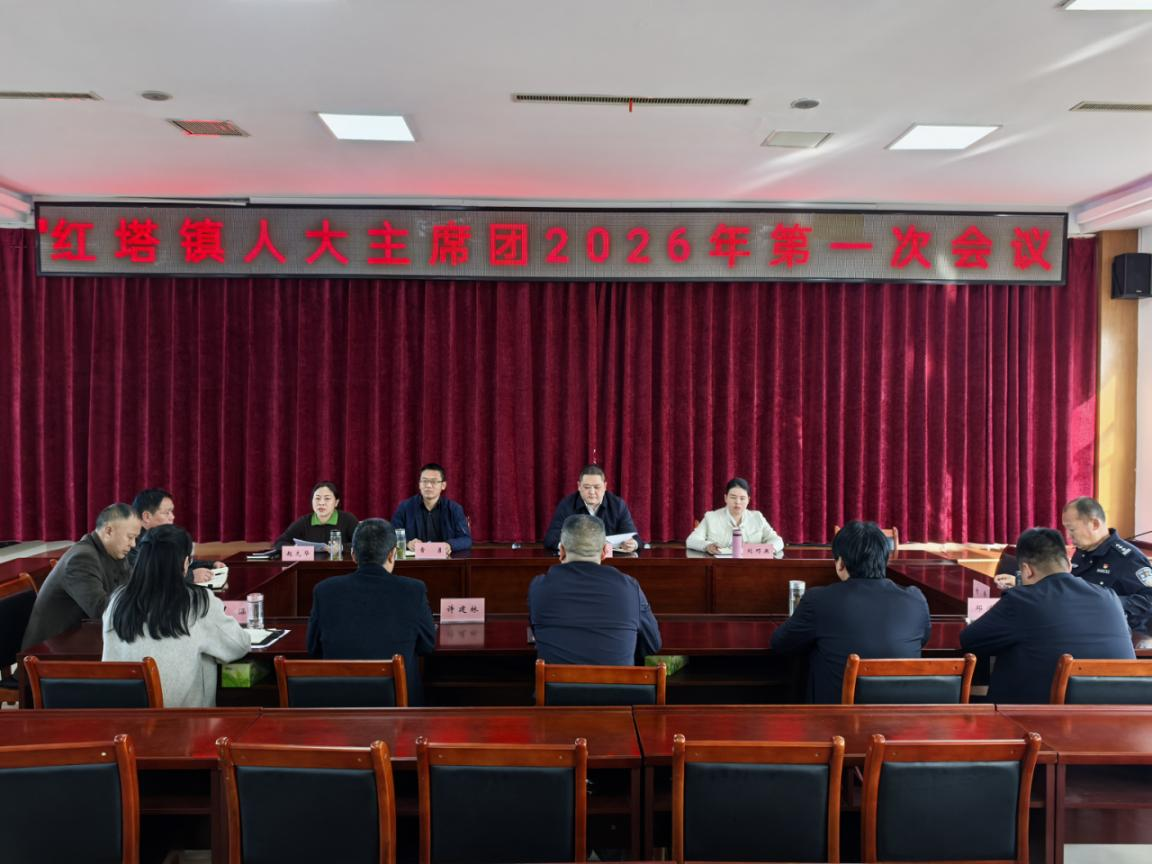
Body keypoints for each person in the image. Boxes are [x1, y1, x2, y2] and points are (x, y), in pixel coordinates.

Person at [961, 526, 1135, 704]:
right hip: (1120, 714)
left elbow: (969, 640)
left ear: (1026, 570)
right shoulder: (1110, 597)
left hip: (1042, 717)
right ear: (1068, 565)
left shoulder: (1023, 600)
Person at [771, 520, 931, 703]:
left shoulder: (819, 600)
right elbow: (923, 639)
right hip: (901, 716)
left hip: (838, 718)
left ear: (840, 563)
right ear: (885, 559)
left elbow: (780, 643)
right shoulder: (916, 599)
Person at [101, 525, 251, 707]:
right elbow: (239, 645)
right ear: (186, 563)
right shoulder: (198, 602)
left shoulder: (116, 601)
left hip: (124, 715)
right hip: (183, 719)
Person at [307, 518, 436, 703]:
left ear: (353, 555)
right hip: (399, 708)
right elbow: (427, 645)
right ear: (392, 554)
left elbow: (313, 649)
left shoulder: (324, 591)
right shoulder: (414, 591)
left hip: (339, 708)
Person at [994, 497, 1152, 629]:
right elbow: (1064, 584)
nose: (1068, 536)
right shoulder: (1083, 551)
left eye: (1072, 529)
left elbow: (1149, 601)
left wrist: (1105, 603)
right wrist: (1021, 581)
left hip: (1118, 635)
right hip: (1076, 626)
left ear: (1095, 524)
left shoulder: (1127, 558)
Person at [529, 514, 661, 665]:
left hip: (556, 681)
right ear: (605, 551)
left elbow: (538, 635)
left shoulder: (539, 587)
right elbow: (653, 645)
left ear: (562, 551)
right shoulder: (630, 588)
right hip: (617, 681)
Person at [22, 503, 142, 649]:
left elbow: (130, 592)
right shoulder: (81, 559)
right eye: (130, 537)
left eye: (135, 538)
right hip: (50, 651)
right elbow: (102, 611)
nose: (133, 544)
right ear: (109, 531)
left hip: (82, 639)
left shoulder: (115, 553)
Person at [129, 487, 223, 582]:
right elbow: (147, 576)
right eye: (167, 513)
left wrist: (211, 564)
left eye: (172, 512)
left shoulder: (160, 537)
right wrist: (190, 576)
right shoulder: (131, 542)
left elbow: (179, 563)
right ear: (147, 517)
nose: (172, 517)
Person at [543, 465, 640, 552]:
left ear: (605, 486)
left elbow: (634, 537)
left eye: (597, 487)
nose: (592, 492)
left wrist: (633, 544)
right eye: (587, 487)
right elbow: (551, 538)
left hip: (609, 560)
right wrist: (570, 546)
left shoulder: (618, 505)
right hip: (578, 558)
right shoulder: (567, 505)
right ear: (579, 486)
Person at [685, 477, 784, 555]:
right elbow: (691, 540)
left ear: (748, 500)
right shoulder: (711, 517)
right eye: (733, 497)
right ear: (726, 498)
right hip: (720, 566)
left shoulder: (757, 517)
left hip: (751, 566)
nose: (737, 502)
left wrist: (765, 550)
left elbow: (778, 541)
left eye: (742, 498)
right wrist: (707, 546)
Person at [391, 463, 473, 554]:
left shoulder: (454, 509)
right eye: (424, 481)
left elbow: (466, 540)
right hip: (414, 560)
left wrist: (449, 545)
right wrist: (407, 543)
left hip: (445, 560)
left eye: (433, 481)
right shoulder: (405, 507)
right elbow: (391, 536)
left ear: (443, 485)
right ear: (419, 484)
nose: (428, 485)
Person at [273, 480, 358, 551]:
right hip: (310, 566)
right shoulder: (304, 522)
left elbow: (362, 544)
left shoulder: (348, 520)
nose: (321, 503)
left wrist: (341, 547)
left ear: (336, 502)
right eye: (317, 498)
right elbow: (279, 542)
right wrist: (295, 549)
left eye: (327, 498)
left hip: (340, 565)